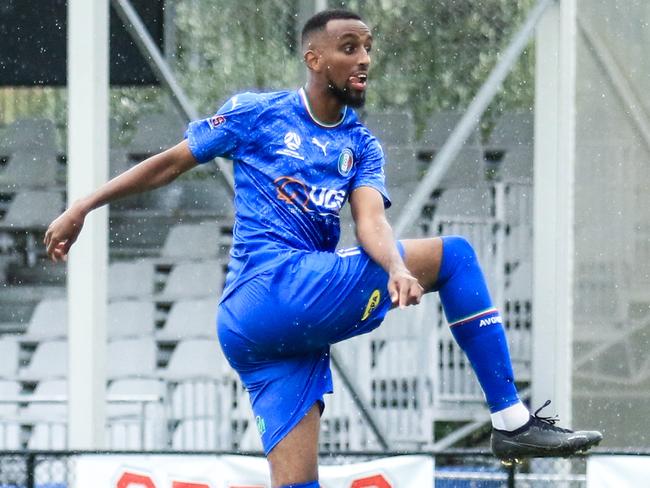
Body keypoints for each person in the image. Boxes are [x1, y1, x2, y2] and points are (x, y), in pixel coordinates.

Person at [45, 9, 602, 488]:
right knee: (454, 256)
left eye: (368, 48)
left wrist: (396, 265)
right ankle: (510, 420)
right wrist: (83, 206)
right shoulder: (258, 112)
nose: (364, 59)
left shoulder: (359, 143)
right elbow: (168, 163)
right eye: (349, 47)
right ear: (314, 59)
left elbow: (370, 223)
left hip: (268, 337)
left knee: (297, 482)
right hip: (271, 289)